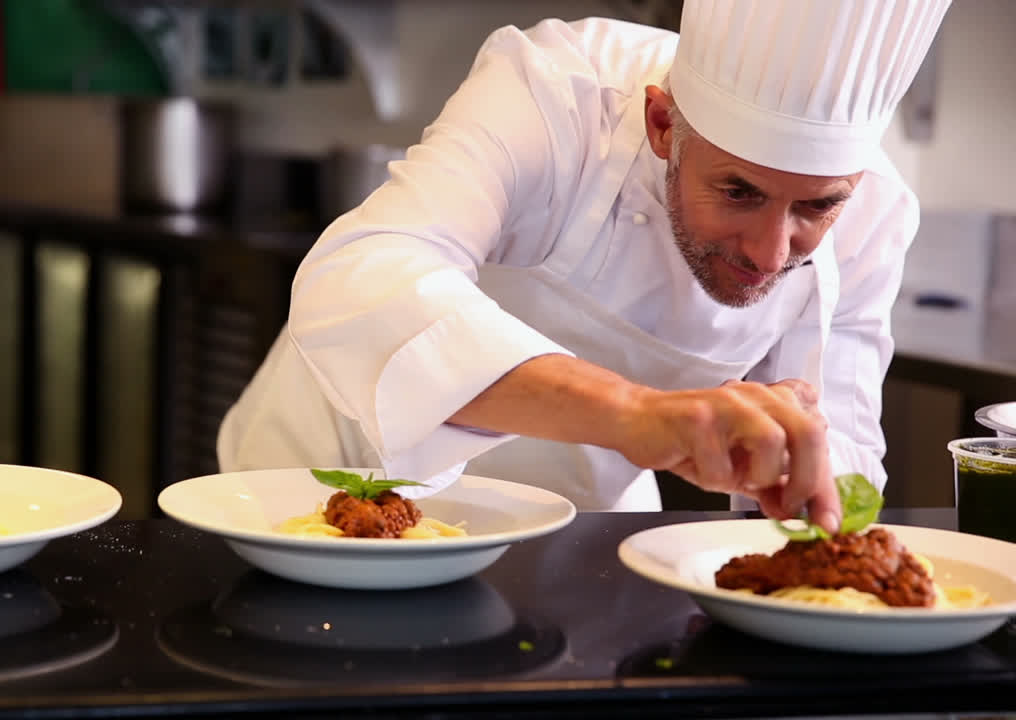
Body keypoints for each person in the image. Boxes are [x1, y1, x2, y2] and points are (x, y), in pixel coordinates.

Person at [218, 0, 953, 536]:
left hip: (585, 525)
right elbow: (364, 272)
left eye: (816, 208)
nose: (770, 251)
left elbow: (838, 459)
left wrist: (817, 518)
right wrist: (636, 415)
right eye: (738, 192)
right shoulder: (554, 91)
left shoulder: (877, 212)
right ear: (664, 126)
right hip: (339, 482)